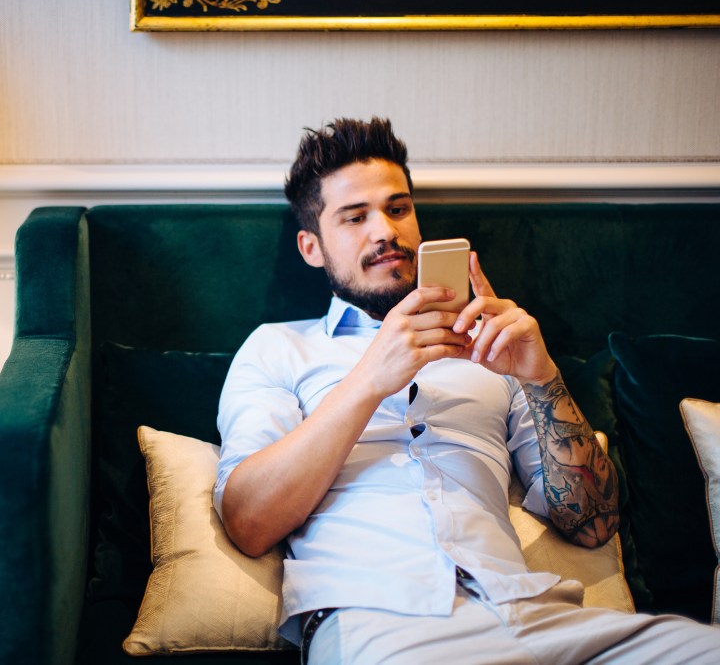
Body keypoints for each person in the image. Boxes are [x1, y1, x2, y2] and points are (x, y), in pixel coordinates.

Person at [212, 117, 720, 664]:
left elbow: (593, 523)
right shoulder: (278, 348)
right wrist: (370, 379)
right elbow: (248, 522)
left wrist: (542, 377)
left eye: (398, 208)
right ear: (312, 247)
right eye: (355, 217)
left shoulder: (493, 348)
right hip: (380, 623)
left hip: (538, 614)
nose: (385, 231)